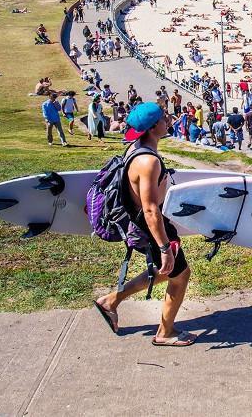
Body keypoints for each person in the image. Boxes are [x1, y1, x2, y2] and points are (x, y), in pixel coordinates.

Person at [93, 103, 196, 346]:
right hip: (151, 228)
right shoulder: (148, 161)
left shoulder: (136, 148)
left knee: (167, 271)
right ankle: (165, 333)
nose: (168, 120)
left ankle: (110, 301)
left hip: (147, 224)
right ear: (152, 127)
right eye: (163, 118)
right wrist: (164, 247)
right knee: (180, 275)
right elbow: (150, 208)